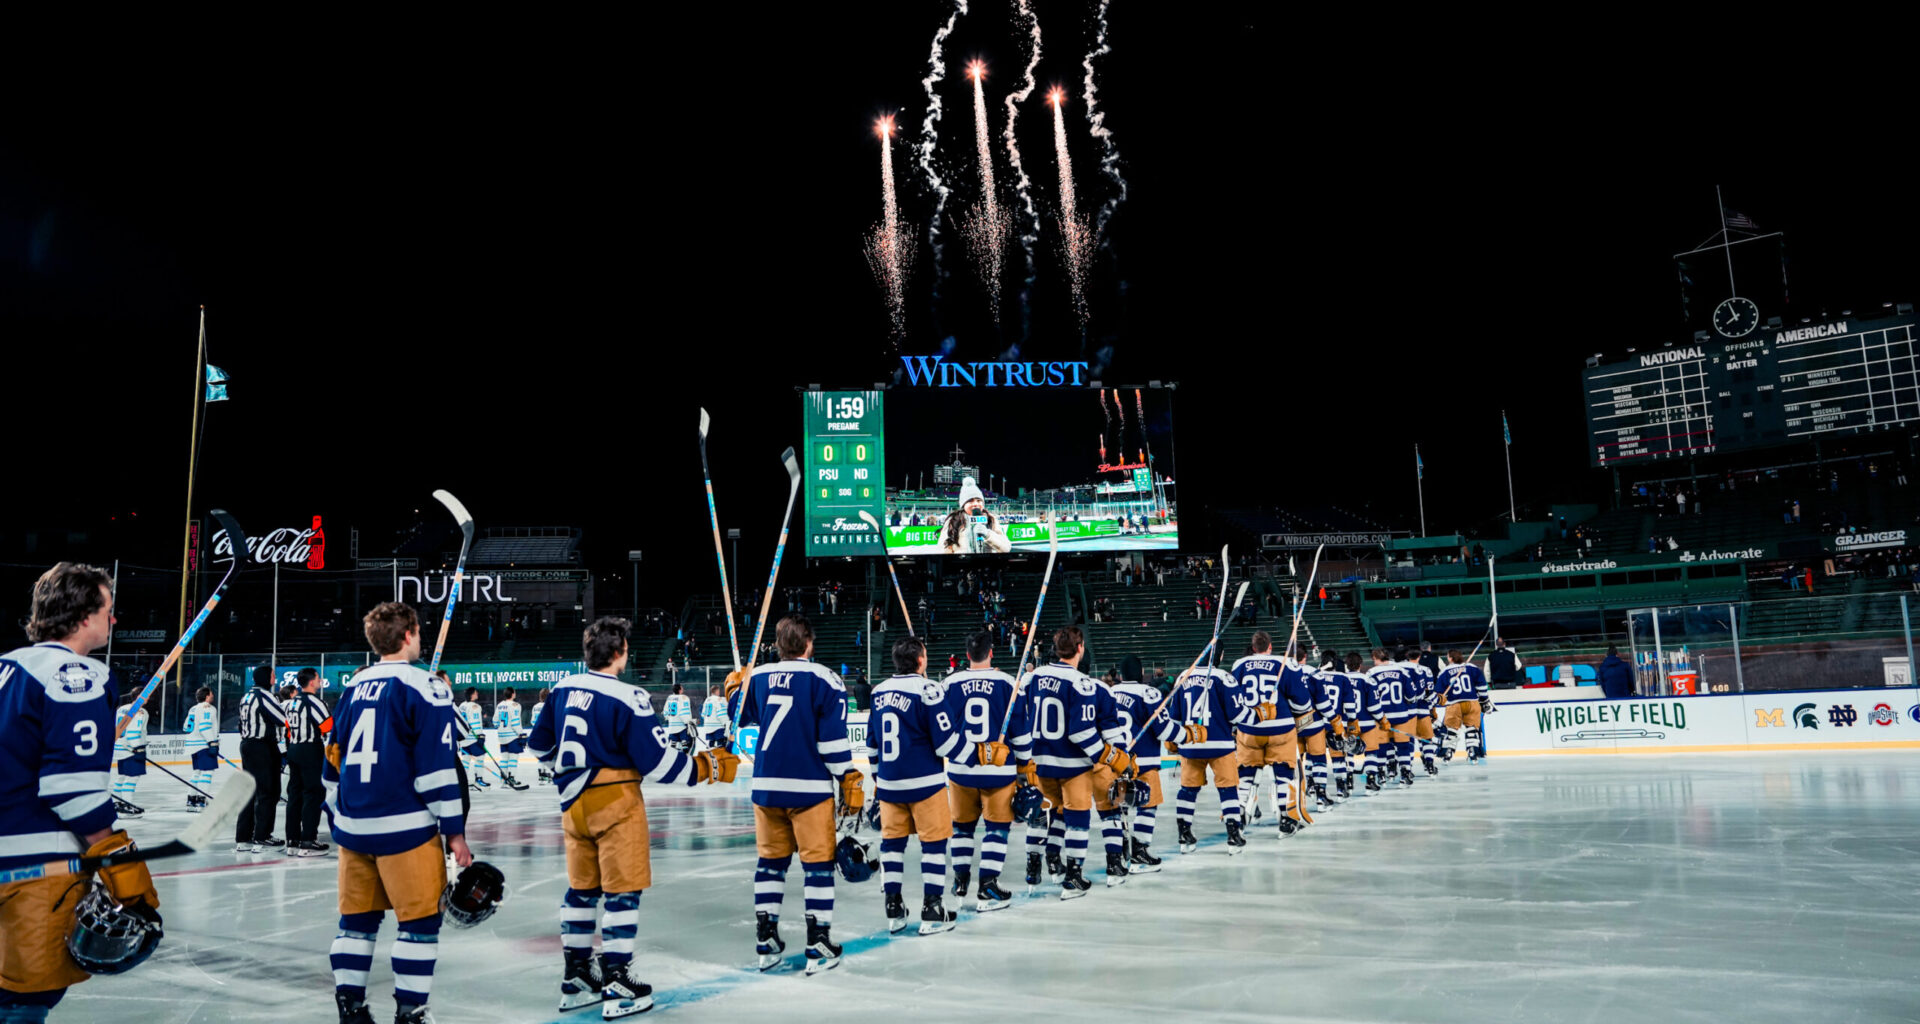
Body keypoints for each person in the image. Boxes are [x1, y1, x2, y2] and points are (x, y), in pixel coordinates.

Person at [528, 617, 737, 1017]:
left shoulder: (561, 690)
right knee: (623, 890)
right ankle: (617, 980)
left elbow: (539, 749)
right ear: (621, 652)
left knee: (582, 889)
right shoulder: (630, 697)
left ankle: (576, 976)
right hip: (615, 802)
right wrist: (706, 768)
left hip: (572, 804)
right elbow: (658, 764)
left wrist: (577, 767)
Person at [0, 563, 163, 1019]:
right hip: (33, 869)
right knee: (24, 1001)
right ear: (84, 615)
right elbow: (72, 791)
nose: (114, 620)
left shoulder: (9, 668)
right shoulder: (78, 674)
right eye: (109, 610)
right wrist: (119, 860)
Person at [323, 601, 471, 1024]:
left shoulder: (352, 688)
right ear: (408, 635)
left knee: (356, 922)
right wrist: (454, 832)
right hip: (406, 828)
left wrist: (339, 818)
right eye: (418, 632)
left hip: (354, 827)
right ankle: (411, 1013)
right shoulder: (428, 686)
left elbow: (331, 758)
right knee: (420, 924)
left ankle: (351, 1010)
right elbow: (436, 768)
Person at [728, 614, 858, 975]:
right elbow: (832, 743)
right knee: (817, 867)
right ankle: (818, 942)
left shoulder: (761, 677)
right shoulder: (826, 679)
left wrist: (736, 690)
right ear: (809, 644)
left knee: (770, 864)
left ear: (779, 645)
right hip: (809, 789)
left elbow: (736, 715)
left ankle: (766, 941)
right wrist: (846, 775)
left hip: (767, 787)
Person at [1007, 626, 1132, 897]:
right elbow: (1083, 733)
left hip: (1039, 762)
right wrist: (1115, 756)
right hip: (1073, 764)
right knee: (1079, 817)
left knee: (1043, 815)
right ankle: (1074, 877)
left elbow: (1016, 711)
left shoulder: (1033, 676)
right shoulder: (1084, 684)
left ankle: (1036, 865)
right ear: (1080, 648)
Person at [865, 634, 973, 933]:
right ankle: (932, 909)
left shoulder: (879, 692)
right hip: (925, 784)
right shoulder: (929, 690)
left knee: (892, 846)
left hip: (889, 785)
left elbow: (872, 745)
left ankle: (894, 908)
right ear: (921, 660)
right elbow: (946, 744)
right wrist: (979, 754)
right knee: (934, 846)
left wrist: (878, 779)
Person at [941, 630, 1020, 911]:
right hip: (998, 772)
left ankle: (960, 881)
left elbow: (942, 730)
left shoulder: (949, 684)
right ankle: (987, 886)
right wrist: (1025, 766)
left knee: (962, 828)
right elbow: (1020, 733)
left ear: (966, 655)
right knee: (996, 829)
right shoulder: (1007, 682)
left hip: (961, 770)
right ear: (991, 653)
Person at [1229, 631, 1313, 839]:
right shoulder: (1285, 663)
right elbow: (1302, 703)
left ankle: (1238, 815)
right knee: (1284, 774)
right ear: (1270, 647)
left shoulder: (1239, 665)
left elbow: (1233, 699)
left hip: (1249, 728)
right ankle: (1285, 818)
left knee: (1246, 775)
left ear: (1253, 647)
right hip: (1280, 728)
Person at [1111, 654, 1183, 872]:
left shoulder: (1109, 692)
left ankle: (1118, 852)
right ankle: (1140, 849)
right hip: (1143, 761)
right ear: (1142, 673)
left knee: (1118, 805)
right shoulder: (1148, 693)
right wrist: (1187, 735)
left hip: (1115, 760)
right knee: (1147, 804)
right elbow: (1163, 729)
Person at [1169, 657, 1248, 854]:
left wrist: (1174, 738)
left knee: (1188, 790)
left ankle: (1184, 834)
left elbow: (1174, 716)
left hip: (1191, 743)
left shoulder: (1183, 676)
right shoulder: (1223, 677)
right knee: (1228, 789)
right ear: (1221, 657)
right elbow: (1236, 715)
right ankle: (1233, 835)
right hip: (1219, 743)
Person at [236, 664, 288, 853]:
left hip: (248, 745)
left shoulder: (246, 696)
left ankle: (243, 837)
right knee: (268, 791)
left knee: (250, 791)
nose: (275, 677)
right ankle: (263, 836)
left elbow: (240, 723)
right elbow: (282, 718)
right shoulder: (265, 696)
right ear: (266, 677)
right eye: (273, 674)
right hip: (262, 747)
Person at [285, 668, 331, 856]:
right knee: (313, 793)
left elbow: (287, 726)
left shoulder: (292, 702)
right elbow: (328, 726)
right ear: (311, 682)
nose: (320, 681)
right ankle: (308, 840)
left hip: (294, 748)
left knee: (295, 794)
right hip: (310, 749)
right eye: (318, 678)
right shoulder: (314, 702)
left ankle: (292, 840)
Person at [1436, 650, 1490, 762]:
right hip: (1472, 702)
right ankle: (1472, 752)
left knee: (1452, 730)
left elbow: (1439, 693)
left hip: (1454, 704)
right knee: (1472, 729)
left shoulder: (1444, 671)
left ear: (1450, 658)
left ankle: (1448, 753)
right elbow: (1482, 686)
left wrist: (1438, 700)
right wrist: (1484, 700)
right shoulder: (1472, 667)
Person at [111, 692, 148, 815]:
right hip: (130, 749)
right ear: (138, 697)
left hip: (119, 747)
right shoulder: (139, 712)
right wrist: (138, 748)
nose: (148, 697)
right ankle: (128, 806)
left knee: (122, 776)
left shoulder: (122, 708)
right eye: (147, 695)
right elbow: (133, 733)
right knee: (132, 777)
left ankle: (117, 803)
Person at [185, 686, 219, 810]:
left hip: (193, 745)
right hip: (203, 744)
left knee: (197, 772)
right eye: (211, 694)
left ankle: (191, 800)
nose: (212, 696)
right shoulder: (208, 708)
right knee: (207, 772)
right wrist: (212, 742)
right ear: (206, 696)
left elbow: (185, 727)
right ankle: (201, 801)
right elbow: (205, 726)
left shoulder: (193, 708)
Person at [456, 688, 490, 792]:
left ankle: (464, 781)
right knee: (480, 756)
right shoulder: (475, 706)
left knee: (466, 759)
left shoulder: (461, 705)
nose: (477, 694)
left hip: (463, 738)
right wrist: (480, 736)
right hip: (472, 738)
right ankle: (478, 779)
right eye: (476, 693)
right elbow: (475, 723)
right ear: (472, 695)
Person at [492, 687, 526, 786]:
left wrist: (501, 728)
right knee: (513, 758)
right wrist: (521, 734)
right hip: (512, 736)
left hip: (502, 736)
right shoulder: (516, 705)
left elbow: (495, 721)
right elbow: (515, 722)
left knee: (504, 758)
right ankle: (511, 778)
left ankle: (503, 780)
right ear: (512, 694)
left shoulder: (500, 705)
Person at [530, 688, 552, 782]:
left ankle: (541, 776)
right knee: (550, 755)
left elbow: (532, 721)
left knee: (540, 756)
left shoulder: (535, 706)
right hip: (548, 733)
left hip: (537, 733)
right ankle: (548, 775)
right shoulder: (550, 706)